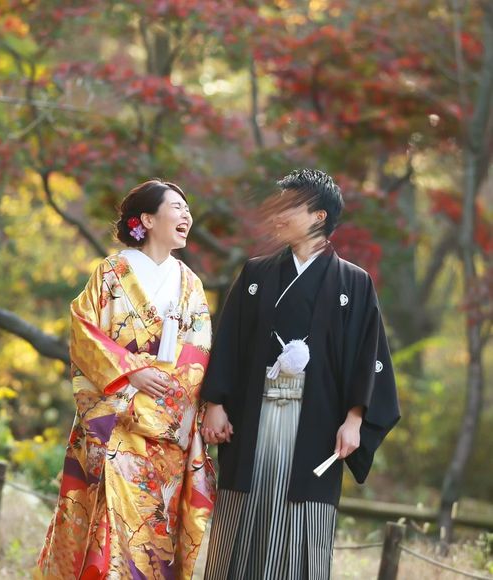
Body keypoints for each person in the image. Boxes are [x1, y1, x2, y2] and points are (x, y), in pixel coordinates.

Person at [200, 169, 400, 580]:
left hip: (316, 426)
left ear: (319, 216)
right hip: (253, 418)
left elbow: (368, 357)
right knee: (241, 522)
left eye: (289, 207)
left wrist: (355, 419)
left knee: (302, 532)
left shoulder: (354, 283)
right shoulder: (256, 274)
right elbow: (229, 340)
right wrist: (215, 402)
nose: (277, 215)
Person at [35, 179, 216, 580]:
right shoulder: (111, 272)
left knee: (155, 533)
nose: (186, 215)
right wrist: (133, 373)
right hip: (115, 420)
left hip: (166, 427)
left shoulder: (191, 284)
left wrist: (161, 396)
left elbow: (199, 351)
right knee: (110, 524)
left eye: (188, 209)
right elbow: (84, 331)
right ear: (147, 219)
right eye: (177, 207)